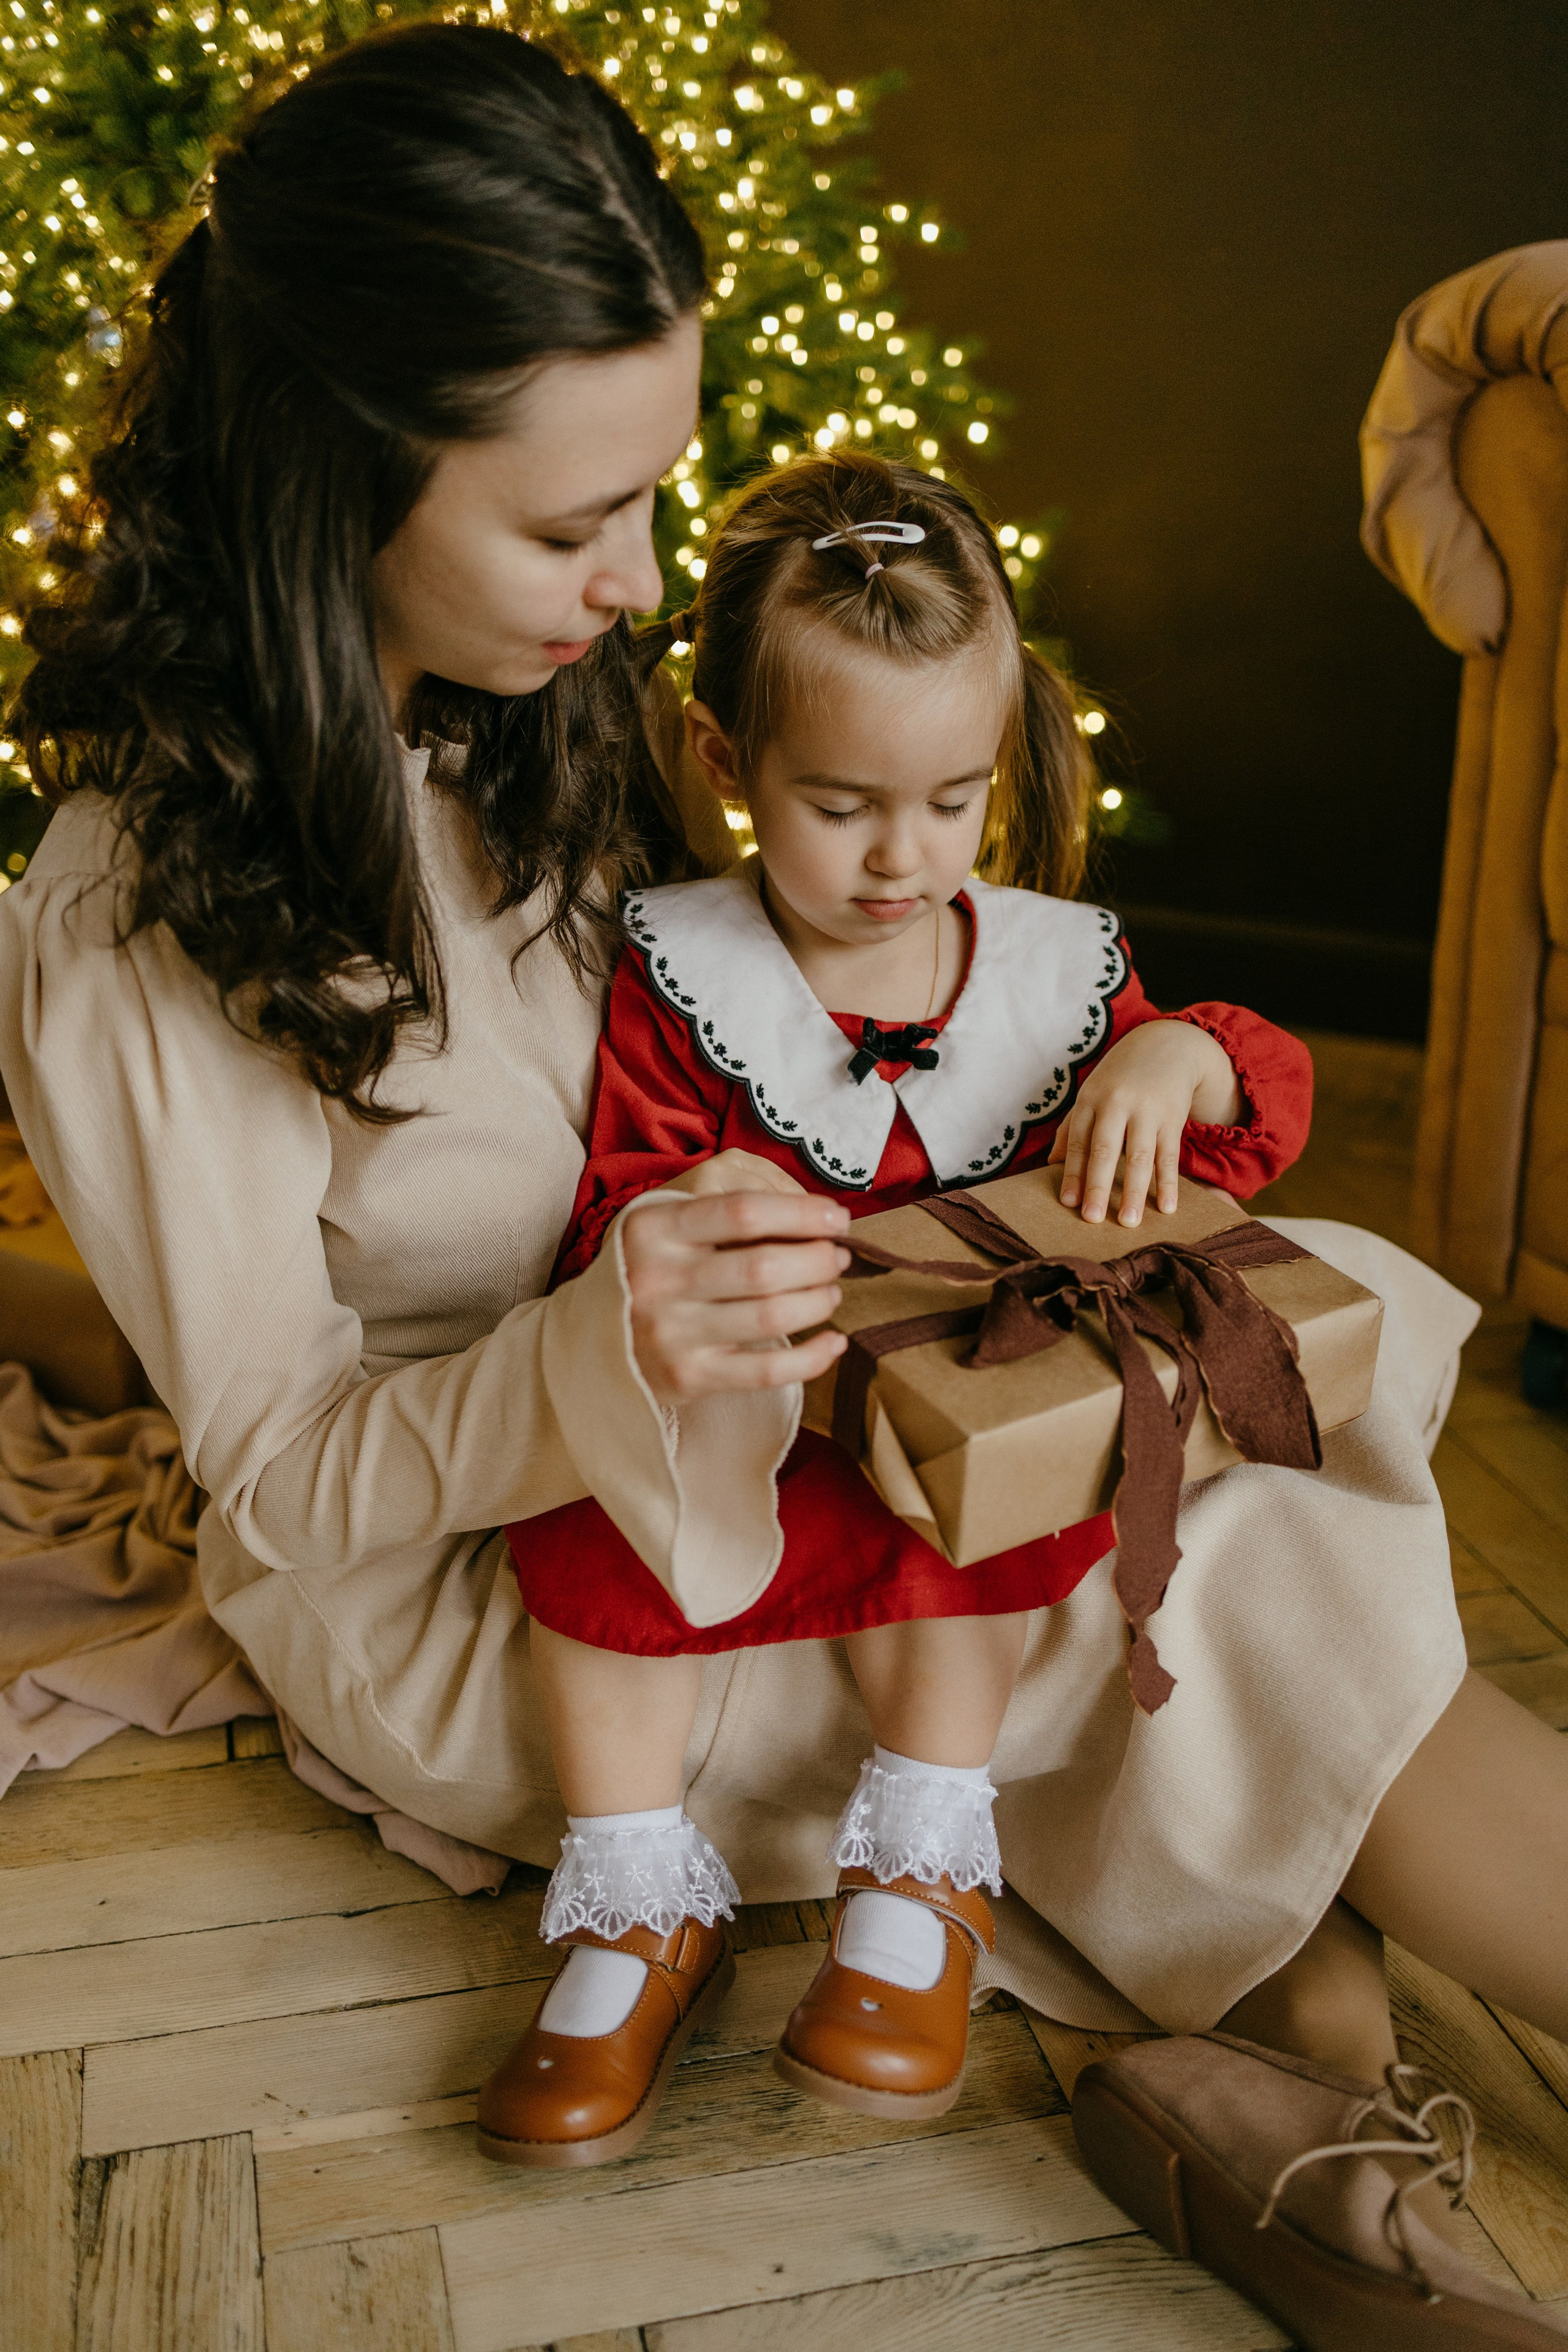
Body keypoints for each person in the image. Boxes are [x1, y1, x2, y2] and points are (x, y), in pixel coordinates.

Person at [1, 25, 1564, 2346]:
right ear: (332, 471)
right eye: (566, 523)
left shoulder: (539, 705)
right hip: (529, 1579)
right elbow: (290, 1489)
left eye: (650, 498)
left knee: (1177, 1436)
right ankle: (1321, 2133)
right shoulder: (135, 918)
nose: (637, 588)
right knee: (1202, 1563)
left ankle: (1323, 2150)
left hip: (821, 1398)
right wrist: (593, 1354)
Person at [485, 449, 1314, 2166]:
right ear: (726, 762)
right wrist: (684, 1225)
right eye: (844, 803)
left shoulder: (1044, 968)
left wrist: (1179, 1049)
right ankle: (633, 1901)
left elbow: (1255, 1120)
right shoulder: (682, 968)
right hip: (761, 1388)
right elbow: (622, 1185)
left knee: (968, 1530)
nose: (900, 857)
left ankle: (920, 1877)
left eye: (950, 800)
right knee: (589, 1537)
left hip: (972, 1393)